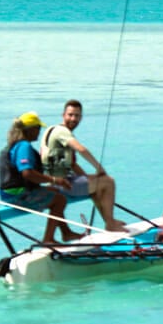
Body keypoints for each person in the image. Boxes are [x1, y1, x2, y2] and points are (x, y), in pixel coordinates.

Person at [40, 98, 121, 234]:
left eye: (77, 116)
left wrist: (87, 177)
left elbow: (71, 163)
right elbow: (81, 149)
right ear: (63, 115)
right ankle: (110, 223)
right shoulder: (62, 131)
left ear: (81, 117)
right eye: (70, 115)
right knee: (109, 182)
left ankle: (109, 221)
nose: (73, 119)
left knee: (97, 182)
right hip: (62, 185)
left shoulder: (51, 130)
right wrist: (99, 168)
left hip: (56, 182)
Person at [0, 112, 76, 245]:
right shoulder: (24, 146)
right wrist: (55, 180)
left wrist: (48, 185)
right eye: (38, 128)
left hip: (9, 193)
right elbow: (27, 173)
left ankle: (66, 232)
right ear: (30, 130)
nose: (39, 132)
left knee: (55, 192)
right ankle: (48, 239)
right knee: (59, 200)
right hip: (17, 195)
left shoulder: (14, 145)